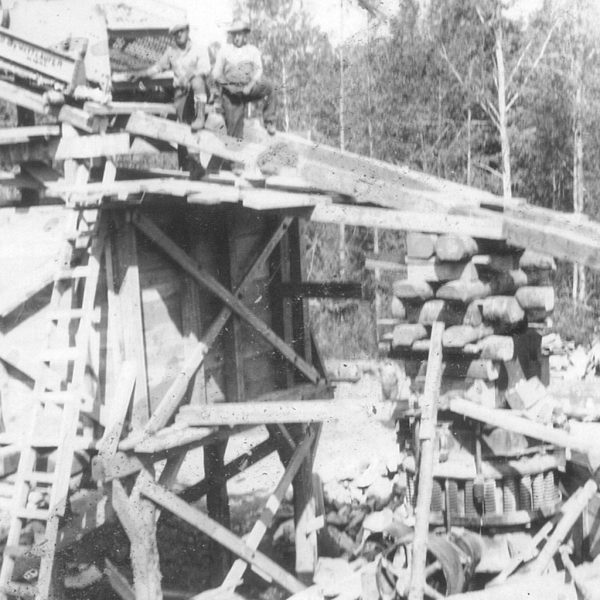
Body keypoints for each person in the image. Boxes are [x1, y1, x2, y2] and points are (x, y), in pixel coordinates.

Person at [130, 19, 210, 165]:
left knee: (197, 83)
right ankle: (189, 164)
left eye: (181, 31)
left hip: (199, 92)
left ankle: (200, 119)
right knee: (185, 125)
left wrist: (191, 76)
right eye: (175, 32)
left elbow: (205, 69)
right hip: (182, 93)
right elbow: (158, 67)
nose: (179, 34)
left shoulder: (199, 49)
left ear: (188, 30)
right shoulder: (171, 52)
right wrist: (141, 74)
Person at [212, 20, 276, 138]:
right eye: (234, 34)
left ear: (245, 35)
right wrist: (229, 87)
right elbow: (216, 74)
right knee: (234, 134)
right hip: (231, 92)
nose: (237, 38)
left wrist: (250, 86)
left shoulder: (252, 50)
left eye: (239, 34)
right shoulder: (225, 50)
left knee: (269, 87)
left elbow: (259, 70)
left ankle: (269, 121)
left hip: (247, 88)